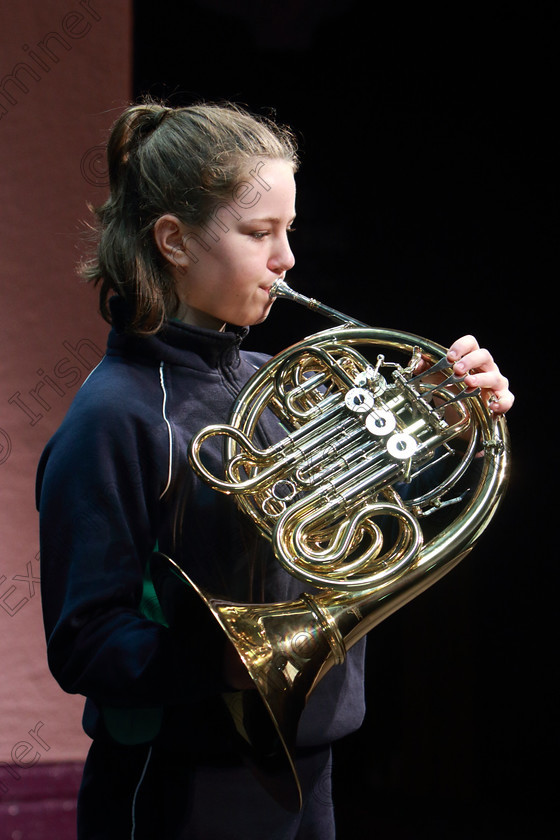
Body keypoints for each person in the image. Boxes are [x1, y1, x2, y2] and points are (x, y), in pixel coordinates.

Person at [36, 99, 514, 840]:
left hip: (308, 770)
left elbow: (362, 534)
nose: (286, 258)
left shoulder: (283, 382)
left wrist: (445, 430)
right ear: (174, 241)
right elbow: (85, 641)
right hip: (176, 789)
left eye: (287, 230)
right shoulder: (112, 419)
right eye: (260, 233)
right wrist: (223, 663)